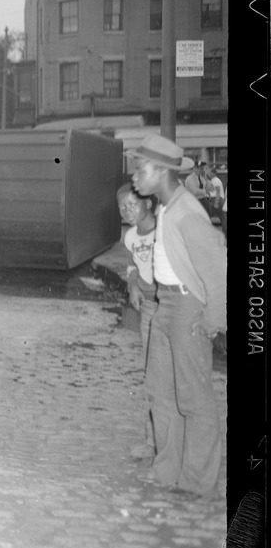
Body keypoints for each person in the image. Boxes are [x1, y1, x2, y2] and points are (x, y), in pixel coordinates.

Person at [128, 133, 227, 498]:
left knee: (194, 399)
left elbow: (219, 269)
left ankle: (196, 482)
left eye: (140, 170)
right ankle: (167, 471)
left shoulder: (186, 211)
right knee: (161, 393)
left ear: (162, 171)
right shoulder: (166, 208)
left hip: (187, 309)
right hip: (164, 306)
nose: (135, 177)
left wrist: (215, 319)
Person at [116, 182, 158, 459]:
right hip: (149, 312)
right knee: (152, 376)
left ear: (149, 204)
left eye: (132, 204)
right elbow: (132, 264)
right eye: (122, 207)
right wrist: (132, 284)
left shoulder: (165, 232)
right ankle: (152, 442)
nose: (127, 211)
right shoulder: (130, 236)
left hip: (172, 308)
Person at [203, 164, 225, 232]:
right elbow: (208, 190)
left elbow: (217, 192)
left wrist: (216, 202)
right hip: (214, 199)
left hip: (216, 200)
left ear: (213, 173)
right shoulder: (213, 180)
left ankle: (224, 232)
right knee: (221, 217)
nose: (207, 173)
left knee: (222, 217)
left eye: (209, 172)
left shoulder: (216, 180)